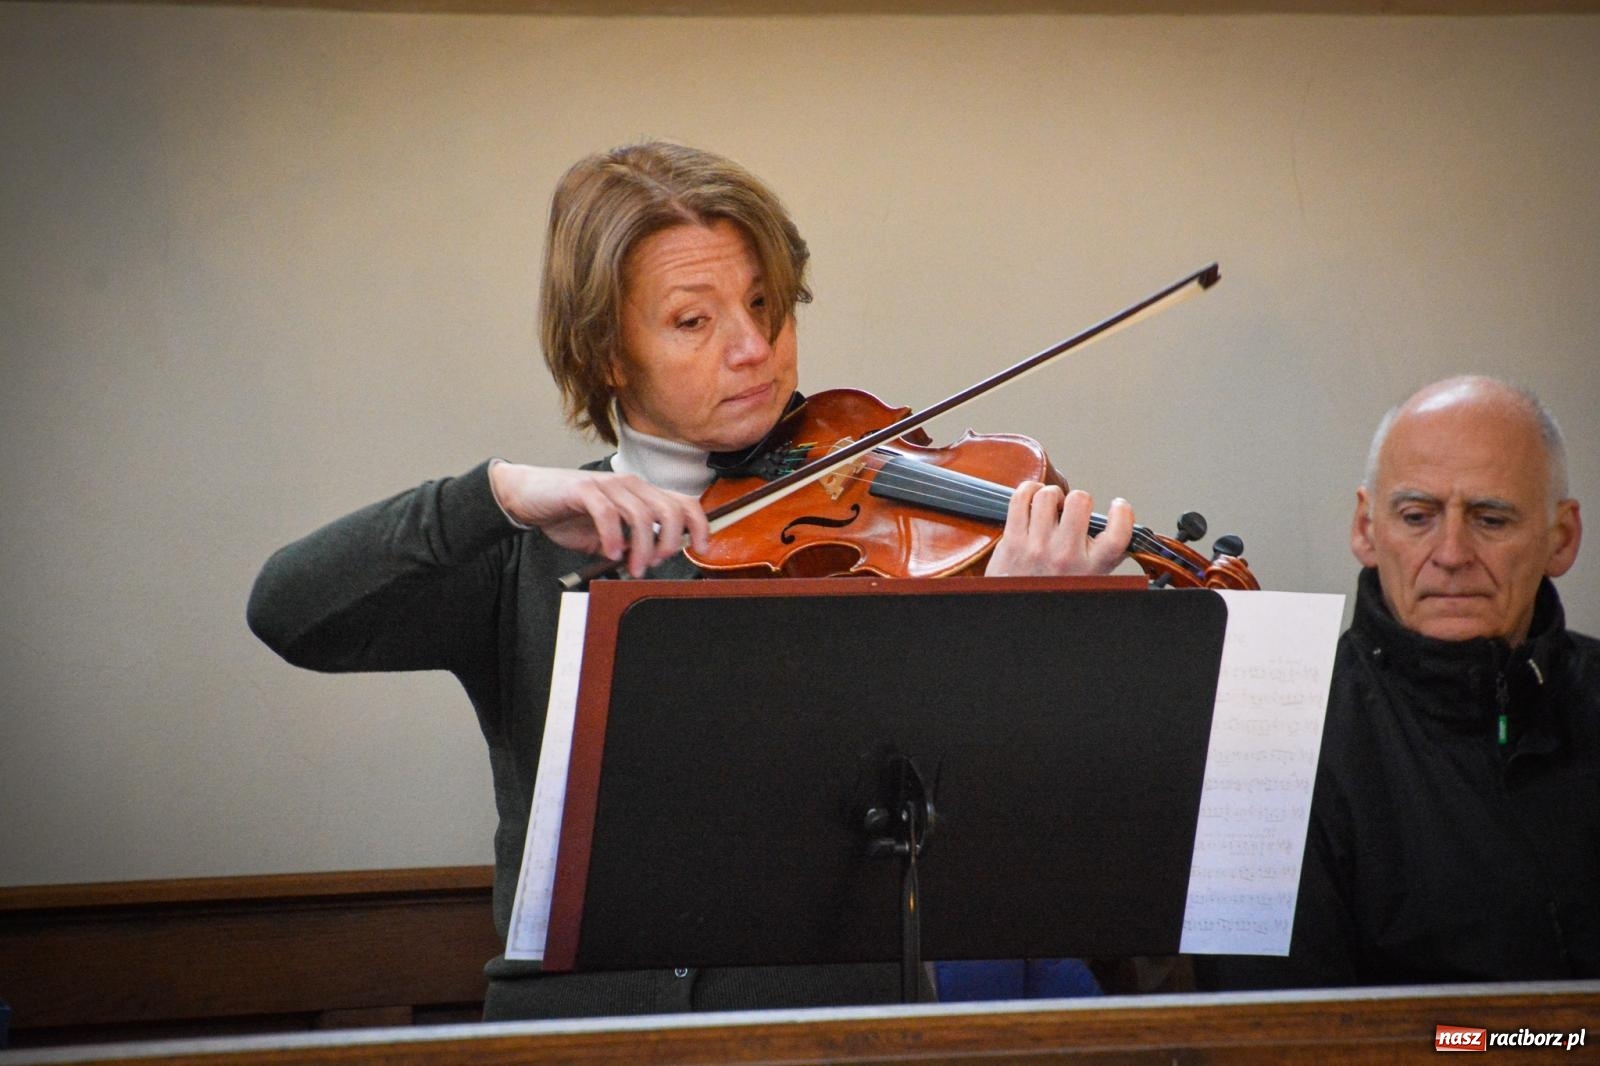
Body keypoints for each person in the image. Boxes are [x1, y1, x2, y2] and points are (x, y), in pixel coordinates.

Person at [247, 140, 1136, 1019]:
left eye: (764, 304)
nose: (755, 348)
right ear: (605, 354)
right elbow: (289, 611)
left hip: (829, 1031)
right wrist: (494, 495)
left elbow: (1000, 841)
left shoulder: (876, 531)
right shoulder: (529, 545)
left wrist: (1018, 633)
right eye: (693, 321)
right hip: (584, 1034)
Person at [1199, 374, 1598, 990]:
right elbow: (1267, 1038)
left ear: (1561, 538)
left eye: (1491, 520)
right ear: (1366, 528)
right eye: (1418, 516)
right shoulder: (1268, 749)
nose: (1452, 552)